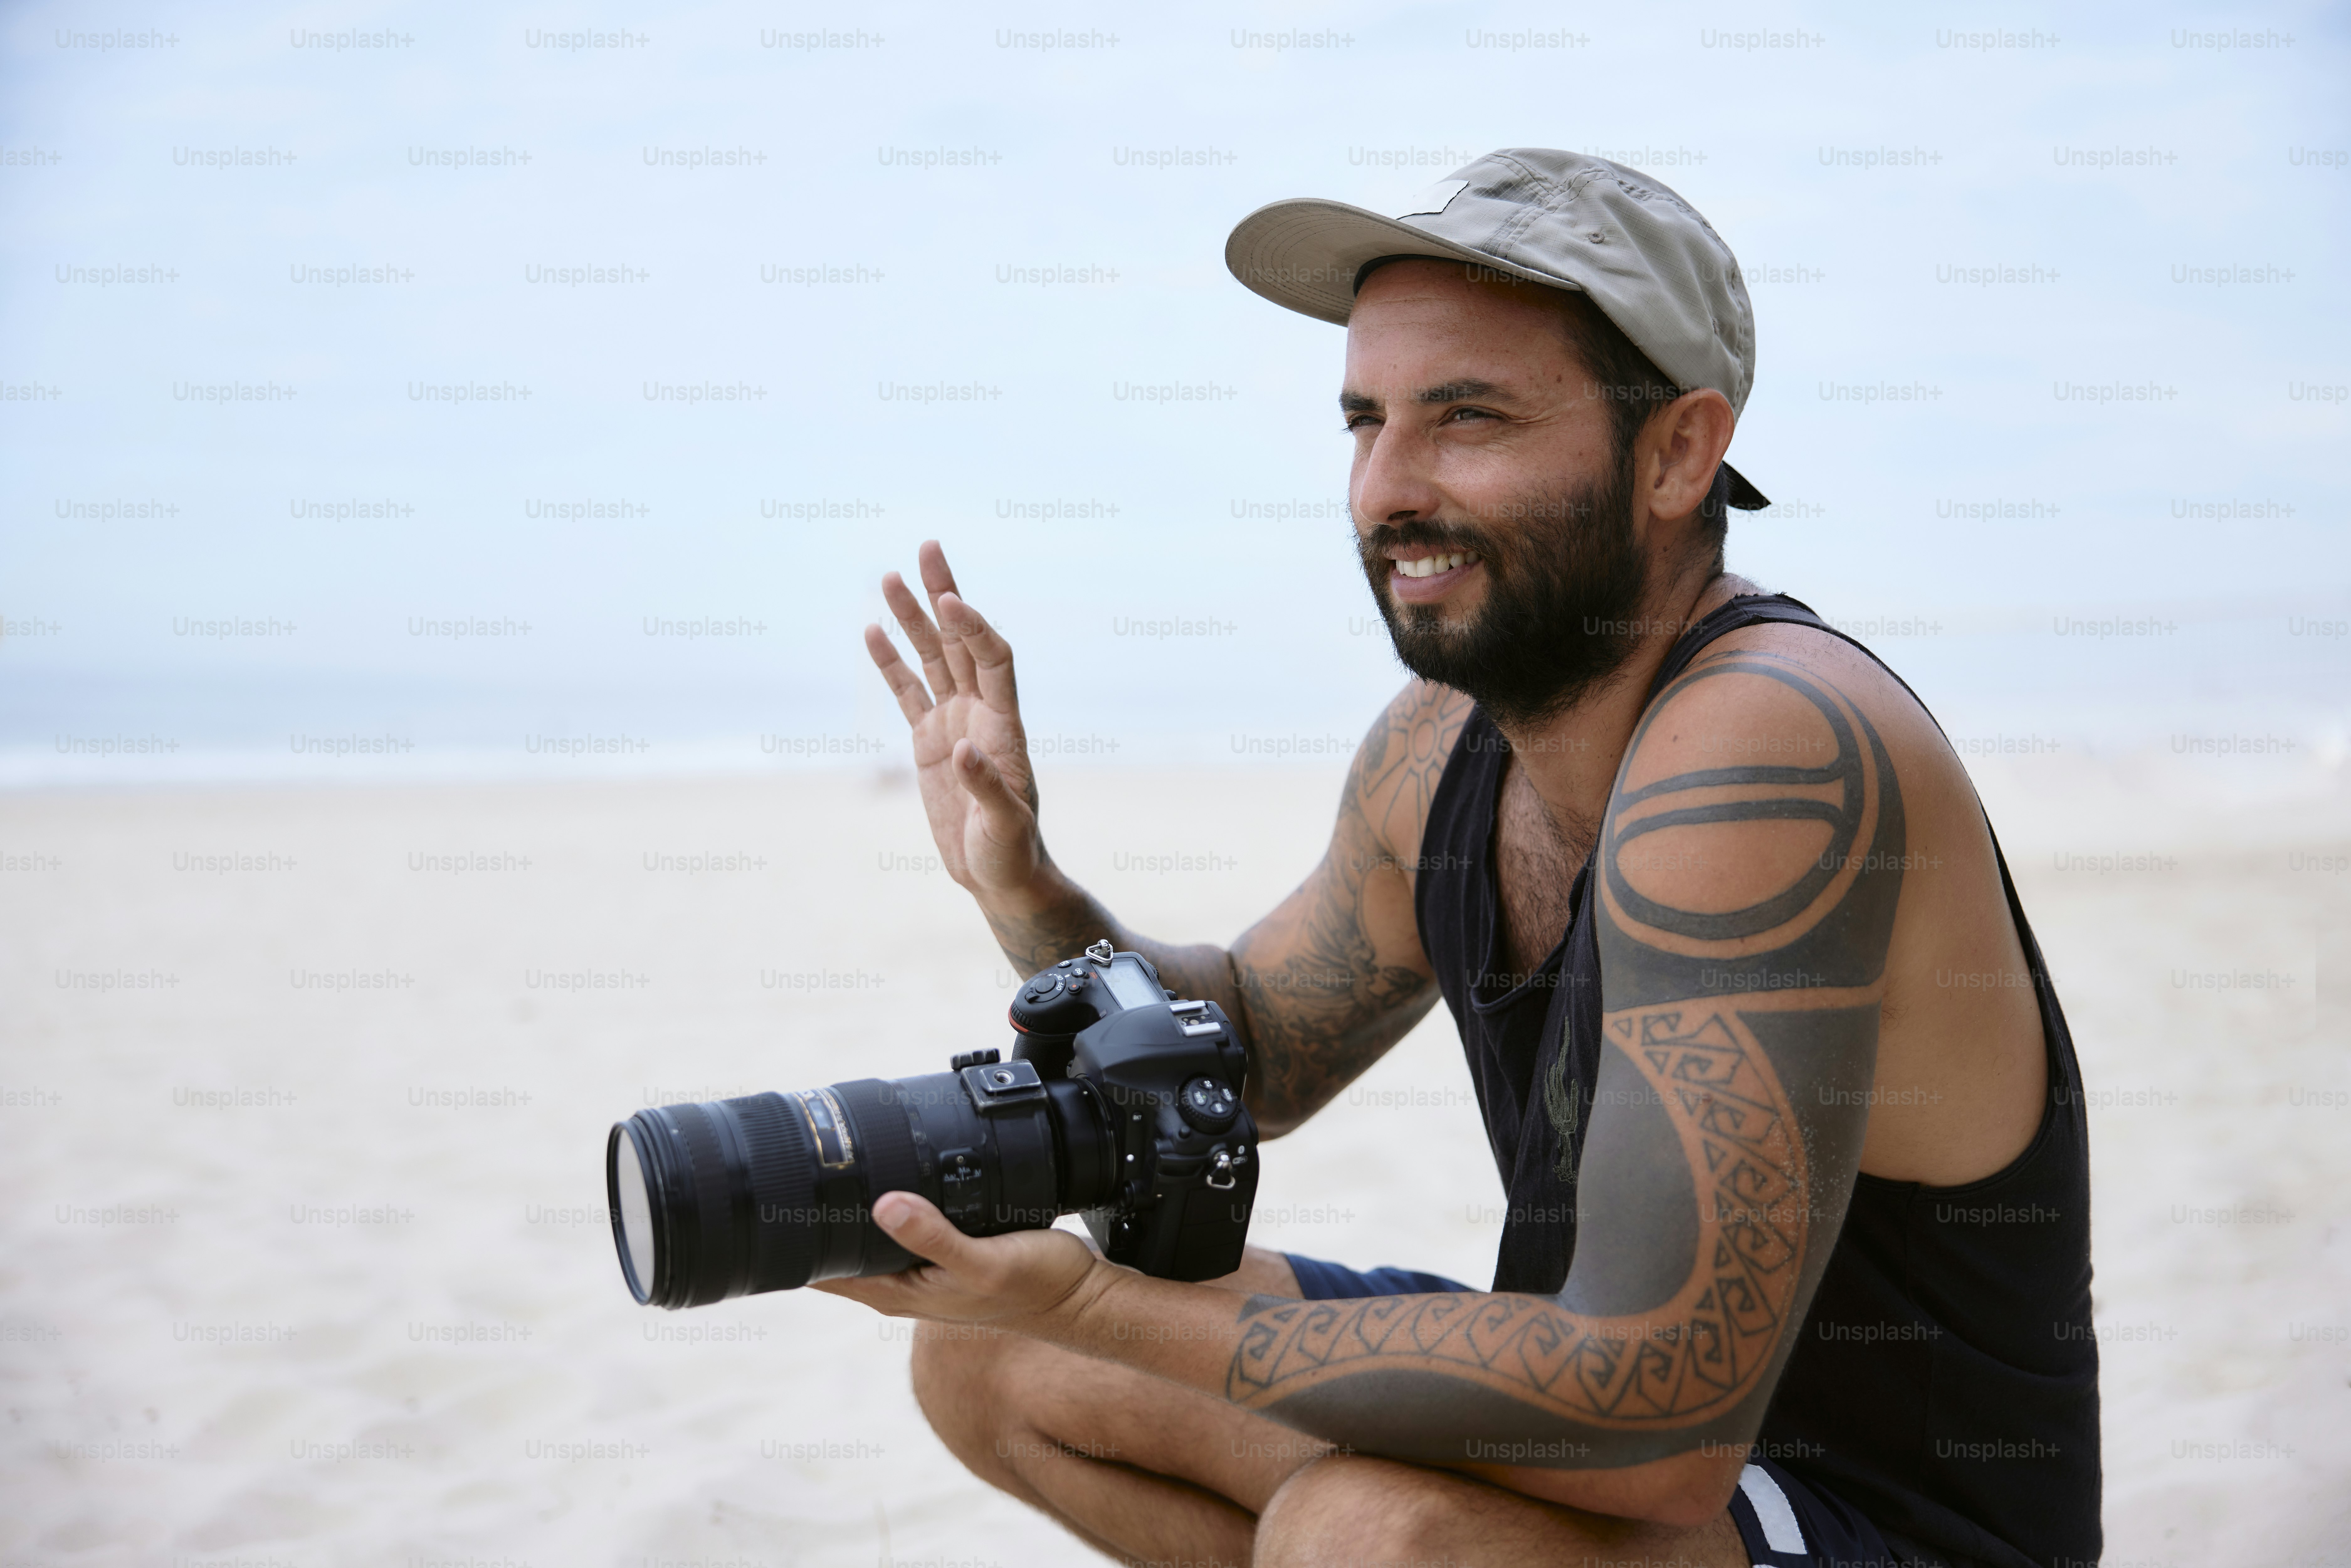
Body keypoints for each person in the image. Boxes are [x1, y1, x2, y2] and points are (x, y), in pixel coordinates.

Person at [821, 150, 2099, 1568]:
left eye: (1468, 417)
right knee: (991, 1366)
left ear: (1678, 451)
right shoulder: (1441, 746)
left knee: (1367, 1531)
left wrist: (1086, 1302)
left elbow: (1660, 1424)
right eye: (1365, 420)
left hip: (1875, 1523)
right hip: (1596, 1457)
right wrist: (1024, 883)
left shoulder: (1773, 747)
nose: (1386, 488)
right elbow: (1254, 1052)